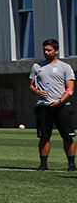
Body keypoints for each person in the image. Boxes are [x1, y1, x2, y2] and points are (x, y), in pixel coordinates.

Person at [29, 39, 76, 172]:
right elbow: (31, 85)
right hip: (43, 106)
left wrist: (60, 101)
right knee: (44, 136)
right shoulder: (37, 66)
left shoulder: (65, 67)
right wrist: (37, 91)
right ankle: (43, 165)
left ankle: (71, 165)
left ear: (56, 51)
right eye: (44, 50)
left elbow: (70, 88)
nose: (46, 52)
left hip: (62, 106)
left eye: (49, 50)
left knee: (68, 136)